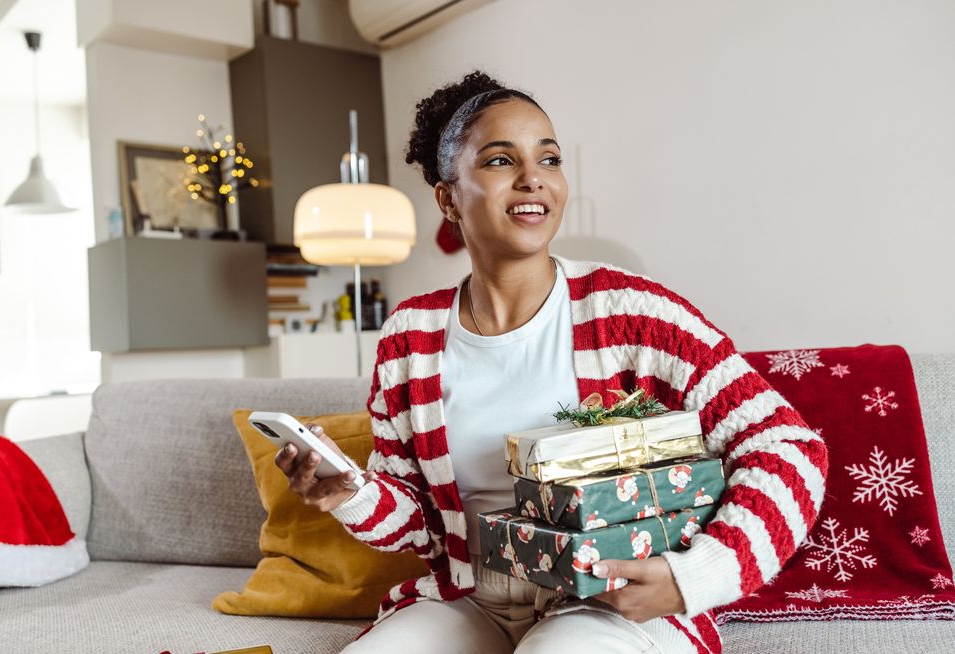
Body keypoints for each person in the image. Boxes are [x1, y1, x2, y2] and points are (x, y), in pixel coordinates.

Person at [275, 71, 829, 654]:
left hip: (607, 603)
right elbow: (420, 521)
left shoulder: (633, 314)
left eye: (550, 158)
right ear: (447, 197)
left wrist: (693, 576)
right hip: (472, 598)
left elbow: (789, 447)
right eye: (498, 161)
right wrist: (351, 493)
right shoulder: (408, 338)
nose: (533, 179)